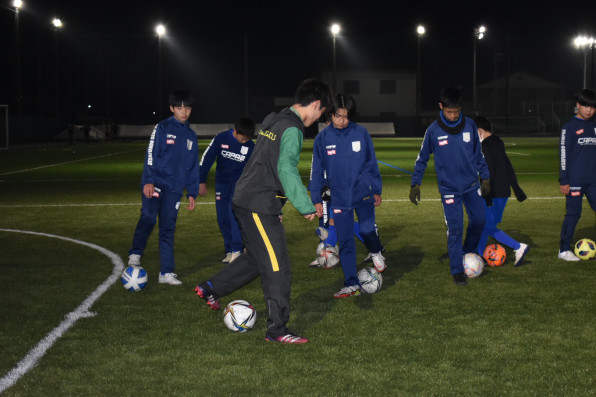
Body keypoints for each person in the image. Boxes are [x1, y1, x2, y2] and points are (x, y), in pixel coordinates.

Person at [195, 78, 332, 344]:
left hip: (249, 198)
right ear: (315, 104)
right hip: (257, 202)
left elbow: (264, 161)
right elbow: (285, 169)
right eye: (321, 112)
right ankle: (277, 329)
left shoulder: (274, 119)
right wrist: (304, 205)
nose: (318, 118)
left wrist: (276, 202)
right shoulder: (293, 129)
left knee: (258, 258)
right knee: (278, 265)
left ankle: (211, 288)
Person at [409, 87, 490, 286]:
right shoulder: (433, 131)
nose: (453, 116)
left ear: (461, 108)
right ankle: (457, 270)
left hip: (471, 186)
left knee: (479, 220)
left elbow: (478, 155)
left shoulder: (470, 125)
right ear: (441, 106)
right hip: (449, 190)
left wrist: (486, 177)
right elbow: (422, 159)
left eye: (456, 111)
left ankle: (467, 253)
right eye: (449, 112)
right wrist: (415, 183)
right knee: (455, 229)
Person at [309, 94, 385, 298]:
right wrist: (316, 198)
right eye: (338, 116)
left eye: (346, 116)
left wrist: (376, 188)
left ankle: (376, 250)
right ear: (330, 115)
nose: (342, 121)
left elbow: (371, 162)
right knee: (345, 242)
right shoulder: (322, 139)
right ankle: (351, 283)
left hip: (363, 193)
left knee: (368, 230)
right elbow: (316, 170)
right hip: (340, 198)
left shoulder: (361, 133)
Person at [127, 90, 200, 285]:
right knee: (149, 217)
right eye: (179, 107)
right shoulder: (162, 127)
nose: (184, 111)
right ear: (172, 108)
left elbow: (193, 167)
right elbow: (151, 153)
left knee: (168, 228)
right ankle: (135, 254)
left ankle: (166, 273)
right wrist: (149, 180)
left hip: (174, 189)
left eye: (187, 107)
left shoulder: (191, 136)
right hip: (156, 183)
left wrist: (192, 191)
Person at [474, 116, 530, 266]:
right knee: (485, 226)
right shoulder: (498, 142)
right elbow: (508, 166)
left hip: (494, 193)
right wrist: (517, 189)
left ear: (480, 131)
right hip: (501, 192)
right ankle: (478, 255)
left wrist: (488, 197)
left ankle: (518, 247)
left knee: (487, 226)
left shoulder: (485, 146)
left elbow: (488, 173)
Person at [198, 117, 256, 263]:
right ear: (235, 131)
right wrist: (201, 180)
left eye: (246, 139)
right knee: (222, 217)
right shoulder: (221, 138)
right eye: (242, 138)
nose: (244, 142)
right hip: (222, 184)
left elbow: (256, 169)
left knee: (232, 215)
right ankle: (230, 250)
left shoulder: (251, 146)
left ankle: (237, 249)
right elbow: (207, 158)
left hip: (240, 186)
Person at [558, 89, 596, 261]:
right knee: (574, 214)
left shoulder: (594, 126)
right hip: (574, 180)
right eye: (586, 105)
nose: (589, 110)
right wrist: (564, 180)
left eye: (593, 107)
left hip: (593, 180)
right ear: (578, 105)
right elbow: (564, 153)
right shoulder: (569, 127)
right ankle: (564, 250)